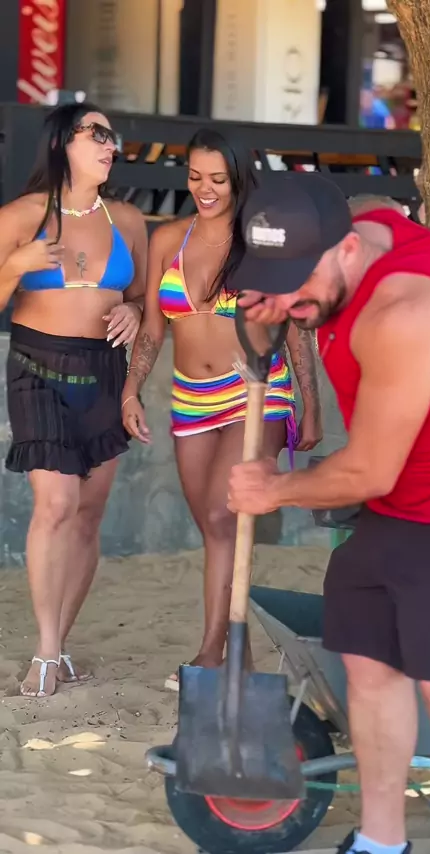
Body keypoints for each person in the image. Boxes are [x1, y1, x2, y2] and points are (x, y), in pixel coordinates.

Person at [227, 173, 430, 854]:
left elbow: (369, 471)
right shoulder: (360, 222)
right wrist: (268, 312)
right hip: (397, 506)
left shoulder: (403, 313)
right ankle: (380, 842)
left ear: (346, 249)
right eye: (273, 280)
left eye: (296, 282)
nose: (287, 302)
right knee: (366, 665)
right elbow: (374, 204)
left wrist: (273, 490)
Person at [121, 130, 322, 690]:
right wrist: (131, 388)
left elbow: (294, 327)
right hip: (190, 396)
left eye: (217, 179)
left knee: (221, 513)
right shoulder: (169, 239)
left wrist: (311, 404)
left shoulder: (261, 238)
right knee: (213, 528)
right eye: (194, 177)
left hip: (256, 390)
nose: (204, 189)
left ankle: (213, 651)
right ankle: (237, 650)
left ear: (238, 179)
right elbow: (152, 329)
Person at [0, 102, 147, 698]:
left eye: (113, 138)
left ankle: (59, 645)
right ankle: (43, 651)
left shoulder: (128, 219)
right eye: (98, 135)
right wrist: (16, 264)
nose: (111, 146)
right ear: (63, 142)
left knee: (88, 514)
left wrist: (134, 309)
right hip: (37, 367)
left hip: (104, 370)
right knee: (57, 504)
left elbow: (145, 299)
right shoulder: (22, 215)